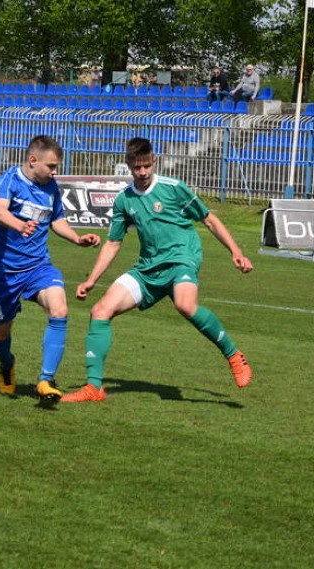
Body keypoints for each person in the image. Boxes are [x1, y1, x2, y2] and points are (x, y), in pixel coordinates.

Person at [62, 137, 254, 403]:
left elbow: (208, 220)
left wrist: (236, 252)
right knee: (100, 311)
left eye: (146, 166)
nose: (142, 173)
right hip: (148, 268)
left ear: (154, 161)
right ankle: (94, 387)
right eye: (136, 167)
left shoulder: (174, 188)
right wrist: (92, 280)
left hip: (181, 259)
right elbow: (114, 242)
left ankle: (233, 355)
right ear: (129, 165)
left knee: (186, 306)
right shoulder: (124, 200)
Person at [0, 135, 101, 403]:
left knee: (60, 308)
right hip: (3, 272)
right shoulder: (9, 181)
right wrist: (19, 225)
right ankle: (6, 365)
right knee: (1, 333)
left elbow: (56, 220)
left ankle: (46, 381)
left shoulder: (50, 187)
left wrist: (77, 239)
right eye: (52, 166)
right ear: (33, 160)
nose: (55, 172)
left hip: (38, 266)